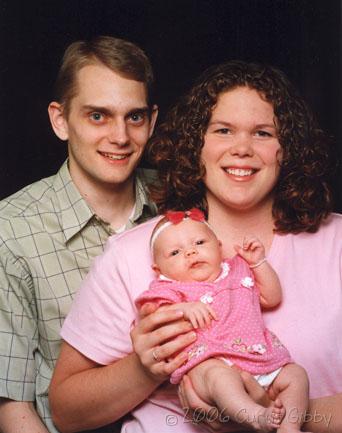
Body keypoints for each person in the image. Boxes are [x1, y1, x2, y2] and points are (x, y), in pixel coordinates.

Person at [50, 60, 342, 433]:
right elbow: (67, 412)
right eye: (222, 130)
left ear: (288, 149)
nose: (242, 149)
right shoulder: (131, 254)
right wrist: (145, 369)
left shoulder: (335, 244)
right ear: (196, 144)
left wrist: (275, 412)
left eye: (263, 134)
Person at [0, 36, 158, 433]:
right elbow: (12, 408)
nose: (120, 137)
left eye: (134, 117)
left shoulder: (182, 201)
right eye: (98, 116)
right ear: (60, 120)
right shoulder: (11, 231)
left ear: (152, 121)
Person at [136, 209, 309, 433]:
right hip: (208, 362)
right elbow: (154, 320)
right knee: (220, 379)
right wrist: (183, 309)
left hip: (258, 356)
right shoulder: (167, 290)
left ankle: (290, 427)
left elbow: (272, 297)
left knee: (296, 375)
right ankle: (256, 417)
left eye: (199, 242)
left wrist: (258, 263)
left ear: (218, 246)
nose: (190, 252)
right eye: (175, 252)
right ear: (159, 270)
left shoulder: (238, 269)